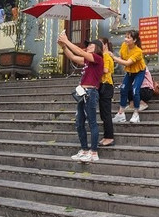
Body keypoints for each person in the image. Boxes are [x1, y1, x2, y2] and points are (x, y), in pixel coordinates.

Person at [58, 33, 104, 162]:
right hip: (82, 93)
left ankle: (94, 152)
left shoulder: (98, 58)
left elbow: (78, 51)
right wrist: (63, 47)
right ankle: (84, 149)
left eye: (91, 45)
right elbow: (73, 56)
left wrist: (66, 41)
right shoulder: (88, 60)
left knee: (92, 122)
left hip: (91, 92)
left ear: (97, 48)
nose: (88, 46)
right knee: (79, 123)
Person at [110, 30, 147, 123]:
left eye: (128, 37)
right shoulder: (124, 45)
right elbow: (122, 58)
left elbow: (127, 63)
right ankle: (121, 114)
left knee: (135, 91)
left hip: (139, 72)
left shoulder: (138, 51)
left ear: (134, 40)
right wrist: (114, 59)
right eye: (125, 37)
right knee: (123, 89)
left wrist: (114, 57)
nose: (125, 39)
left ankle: (136, 114)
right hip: (129, 72)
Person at [98, 37, 115, 147]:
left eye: (100, 44)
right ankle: (106, 136)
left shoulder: (106, 56)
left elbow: (106, 70)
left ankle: (109, 137)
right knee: (103, 113)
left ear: (105, 45)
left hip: (106, 85)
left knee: (106, 113)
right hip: (102, 85)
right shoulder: (103, 56)